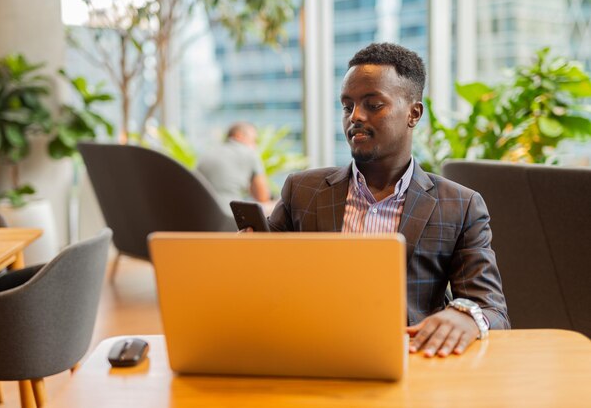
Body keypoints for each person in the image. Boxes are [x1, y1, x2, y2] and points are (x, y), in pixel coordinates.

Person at [268, 42, 510, 358]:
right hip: (314, 355)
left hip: (410, 363)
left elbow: (491, 309)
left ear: (413, 113)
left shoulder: (460, 205)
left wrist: (464, 316)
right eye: (347, 106)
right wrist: (244, 260)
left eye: (373, 104)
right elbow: (263, 284)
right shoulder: (302, 190)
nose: (355, 116)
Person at [197, 122, 271, 210]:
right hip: (230, 214)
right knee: (273, 208)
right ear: (239, 135)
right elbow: (263, 197)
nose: (255, 146)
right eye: (254, 140)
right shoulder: (249, 153)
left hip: (201, 211)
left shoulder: (207, 153)